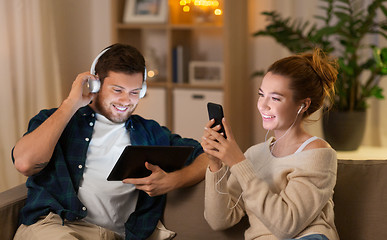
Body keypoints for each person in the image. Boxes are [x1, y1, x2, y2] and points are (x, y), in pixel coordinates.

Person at [11, 43, 208, 240]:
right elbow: (25, 163)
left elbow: (207, 156)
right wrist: (71, 103)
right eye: (117, 90)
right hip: (57, 226)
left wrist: (173, 181)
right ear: (95, 85)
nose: (126, 100)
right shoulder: (58, 120)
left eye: (134, 92)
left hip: (117, 235)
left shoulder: (149, 132)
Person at [201, 48, 339, 240]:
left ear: (303, 105)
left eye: (275, 98)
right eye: (261, 94)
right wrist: (215, 165)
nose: (263, 105)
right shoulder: (254, 155)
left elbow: (286, 226)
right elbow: (220, 220)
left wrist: (238, 163)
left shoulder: (319, 154)